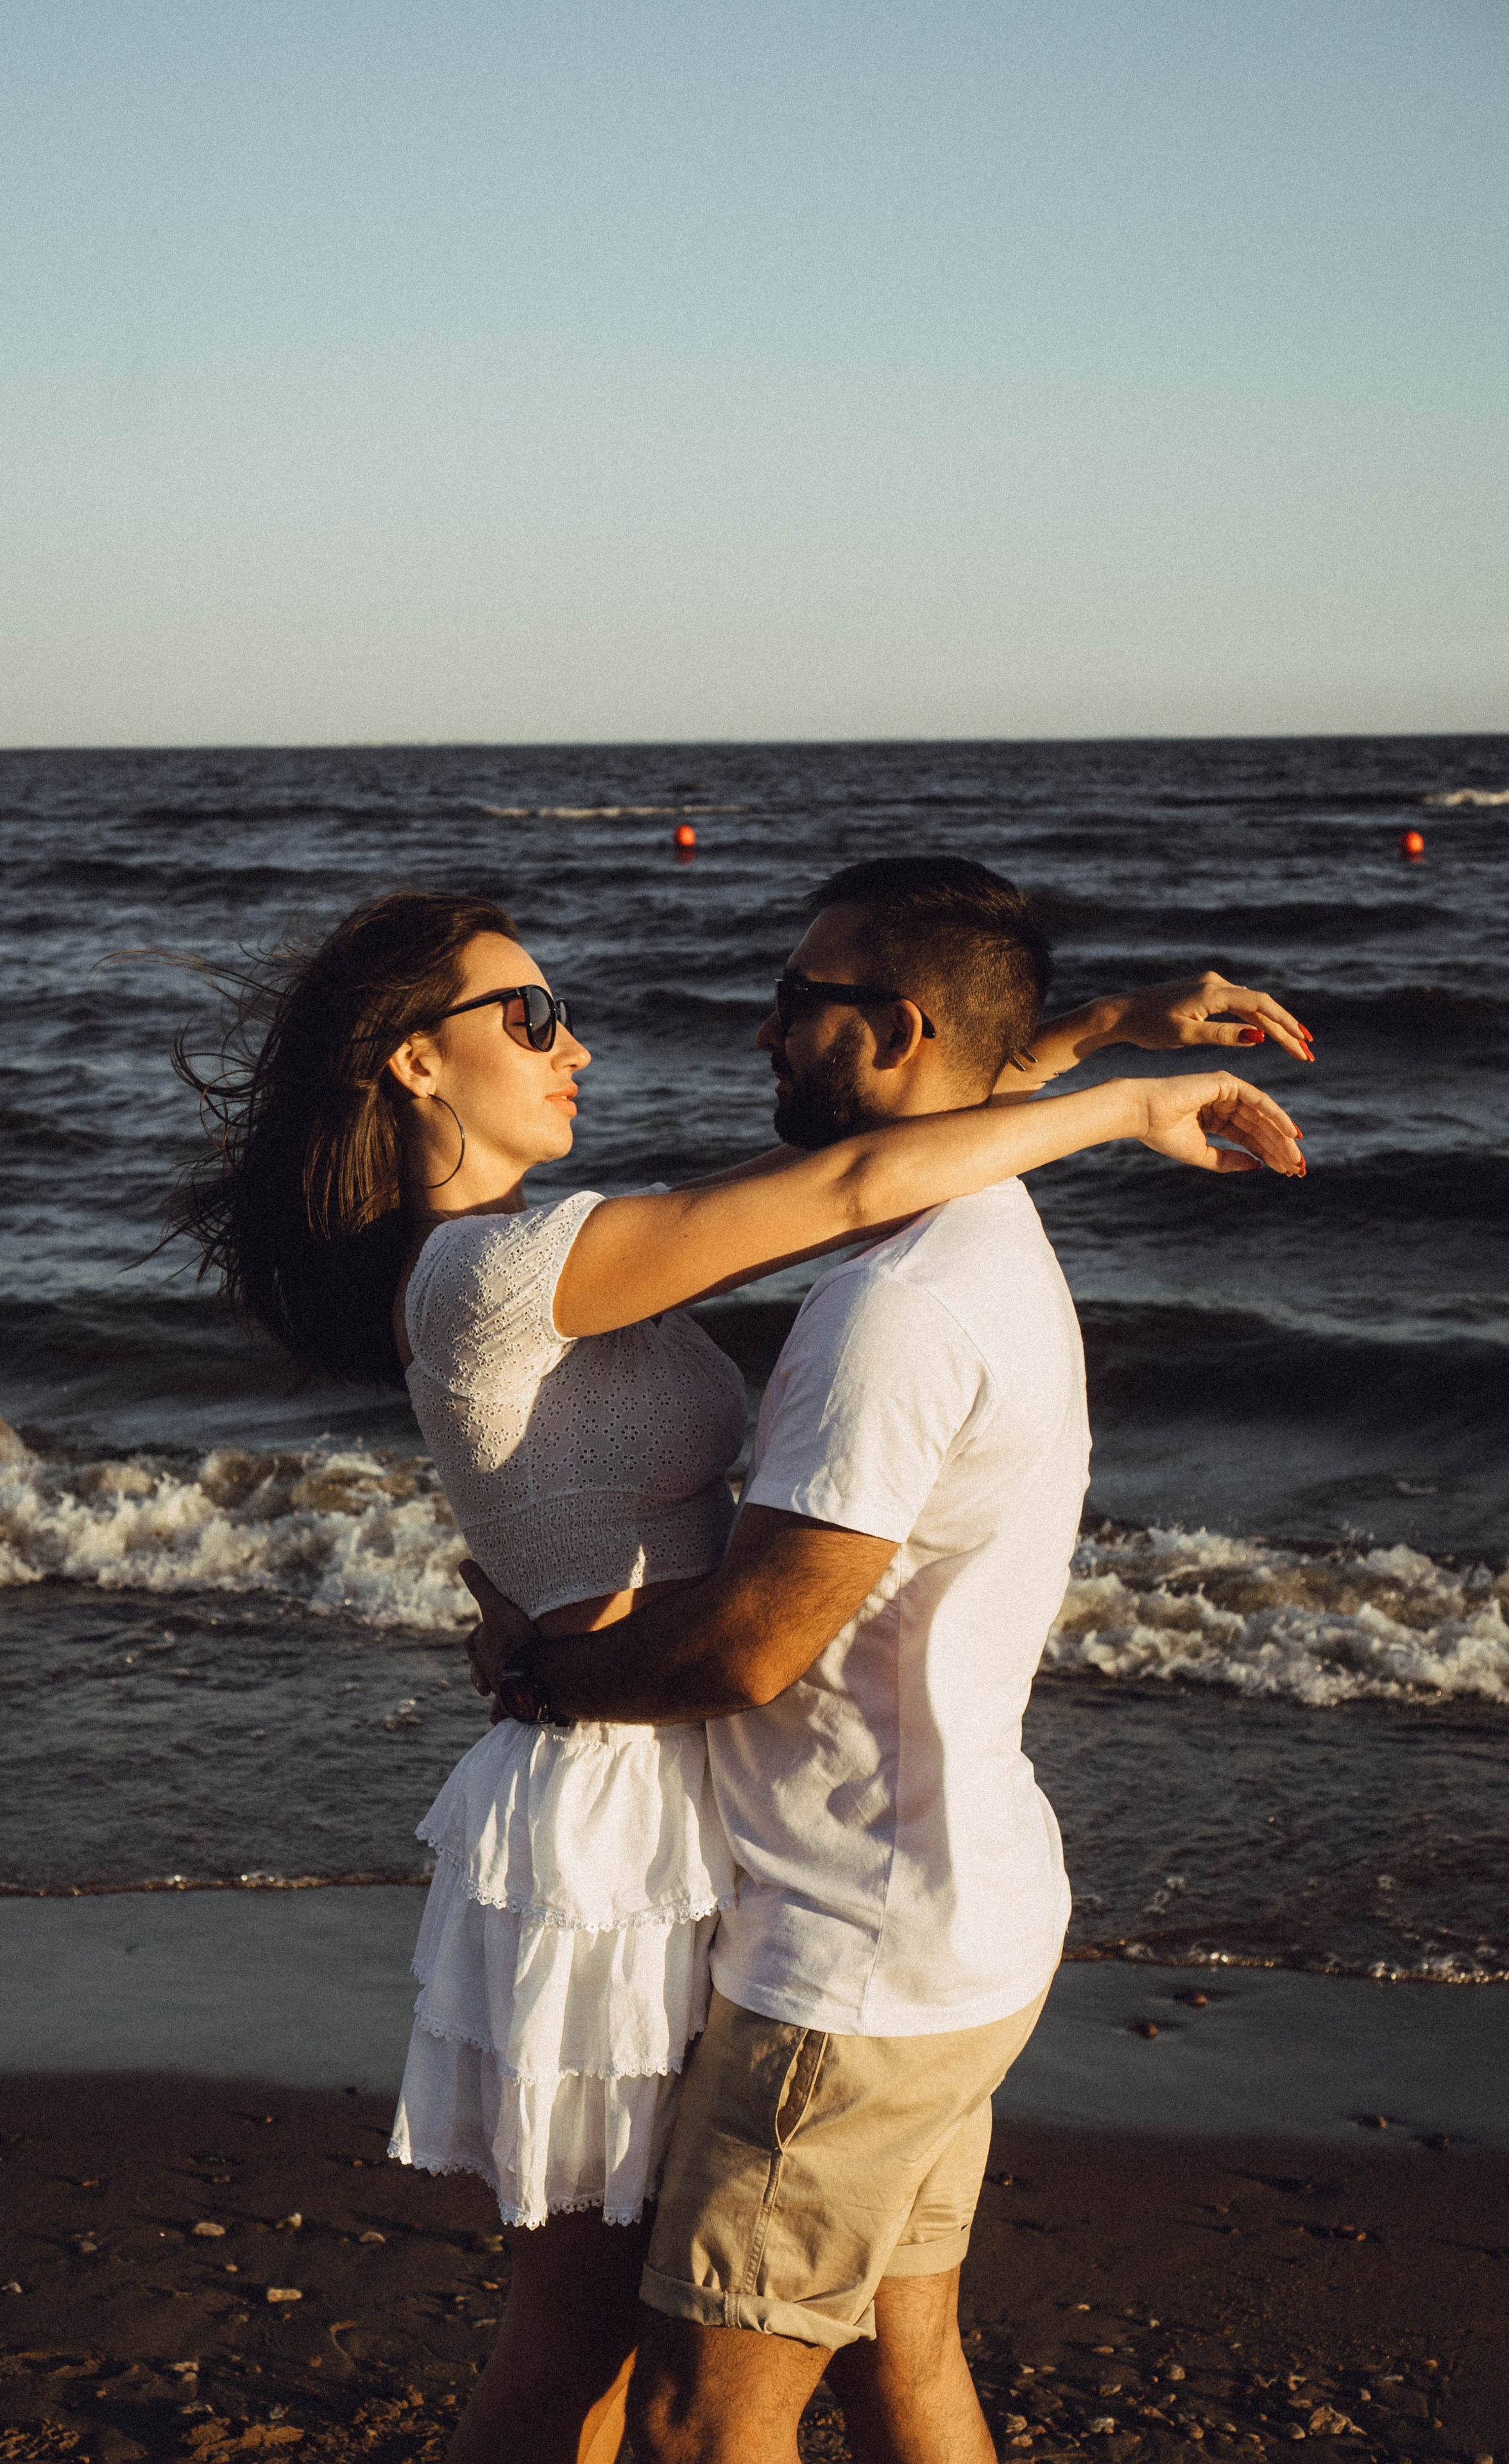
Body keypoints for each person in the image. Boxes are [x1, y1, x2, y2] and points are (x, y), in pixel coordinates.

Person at [167, 869, 1308, 2464]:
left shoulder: (555, 1248)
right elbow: (848, 1193)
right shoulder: (489, 1277)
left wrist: (1081, 1039)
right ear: (416, 1061)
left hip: (702, 1791)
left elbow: (877, 1156)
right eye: (530, 1015)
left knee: (780, 2345)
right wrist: (1128, 1101)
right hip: (609, 1821)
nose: (577, 1049)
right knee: (581, 2345)